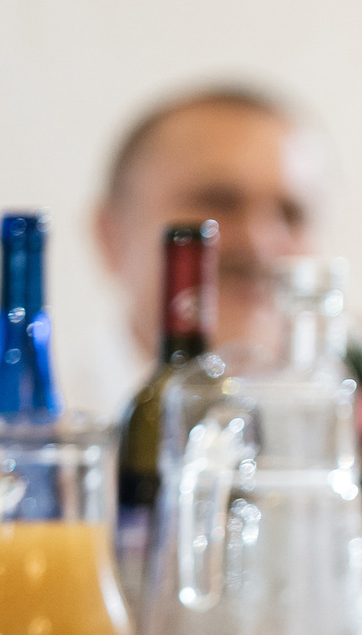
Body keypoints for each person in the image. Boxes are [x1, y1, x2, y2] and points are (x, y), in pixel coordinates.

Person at [83, 84, 326, 406]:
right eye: (218, 202)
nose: (260, 242)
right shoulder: (31, 437)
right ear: (111, 236)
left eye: (291, 214)